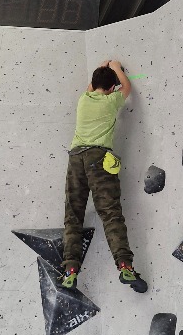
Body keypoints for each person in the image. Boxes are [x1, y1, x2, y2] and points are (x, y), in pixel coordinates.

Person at [61, 59, 147, 293]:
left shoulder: (83, 99)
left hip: (75, 159)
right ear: (111, 88)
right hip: (98, 159)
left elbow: (93, 86)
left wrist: (103, 66)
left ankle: (70, 270)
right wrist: (116, 67)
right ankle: (125, 267)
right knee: (110, 214)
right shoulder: (112, 101)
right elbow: (127, 86)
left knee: (73, 216)